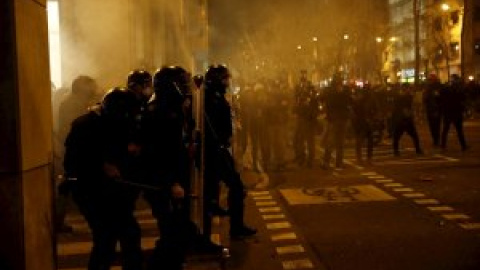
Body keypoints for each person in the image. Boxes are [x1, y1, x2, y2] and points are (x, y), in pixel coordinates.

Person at [63, 87, 143, 270]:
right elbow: (73, 162)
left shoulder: (119, 122)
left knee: (128, 234)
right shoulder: (84, 126)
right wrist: (101, 166)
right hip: (91, 191)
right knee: (106, 238)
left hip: (114, 191)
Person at [203, 65, 257, 239]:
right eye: (225, 78)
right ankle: (235, 228)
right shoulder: (209, 98)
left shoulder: (215, 96)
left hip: (218, 148)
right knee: (235, 186)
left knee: (215, 190)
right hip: (214, 150)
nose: (227, 82)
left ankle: (225, 227)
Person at [322, 74, 351, 170]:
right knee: (336, 142)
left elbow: (348, 101)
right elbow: (349, 101)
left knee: (336, 142)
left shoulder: (335, 91)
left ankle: (332, 162)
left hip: (337, 119)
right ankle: (333, 162)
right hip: (338, 118)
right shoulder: (337, 91)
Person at [293, 70, 319, 167]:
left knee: (307, 140)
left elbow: (314, 103)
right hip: (303, 117)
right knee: (302, 140)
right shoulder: (299, 89)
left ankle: (308, 160)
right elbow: (296, 102)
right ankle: (303, 159)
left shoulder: (310, 89)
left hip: (307, 118)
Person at [392, 83, 423, 156]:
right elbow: (399, 108)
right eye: (408, 88)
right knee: (397, 136)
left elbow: (411, 106)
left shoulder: (408, 96)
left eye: (409, 88)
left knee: (414, 135)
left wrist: (412, 115)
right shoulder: (400, 97)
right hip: (401, 119)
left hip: (407, 119)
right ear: (404, 89)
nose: (409, 90)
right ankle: (396, 151)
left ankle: (418, 149)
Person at [351, 85, 380, 165]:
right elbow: (355, 111)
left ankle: (364, 158)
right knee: (363, 141)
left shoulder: (363, 100)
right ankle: (363, 158)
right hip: (363, 122)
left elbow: (376, 109)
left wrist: (373, 117)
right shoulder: (361, 100)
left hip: (364, 122)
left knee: (365, 141)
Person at [440, 75, 468, 151]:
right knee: (458, 130)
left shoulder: (447, 88)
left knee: (447, 129)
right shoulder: (458, 89)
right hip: (454, 111)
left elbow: (441, 98)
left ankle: (443, 145)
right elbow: (463, 98)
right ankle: (463, 145)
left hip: (450, 111)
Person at [423, 74, 443, 148]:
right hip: (431, 109)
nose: (429, 81)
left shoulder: (437, 87)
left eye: (430, 80)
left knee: (435, 125)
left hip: (435, 109)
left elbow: (438, 98)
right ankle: (435, 139)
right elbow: (425, 98)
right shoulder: (428, 87)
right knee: (433, 125)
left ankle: (436, 140)